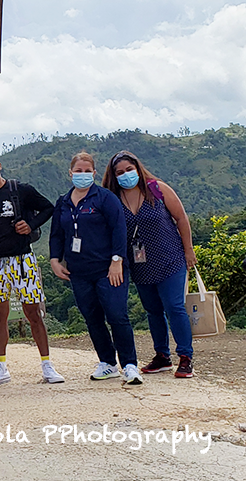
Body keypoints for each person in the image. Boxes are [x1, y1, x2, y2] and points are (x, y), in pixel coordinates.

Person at [0, 151, 64, 386]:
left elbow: (48, 208)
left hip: (23, 259)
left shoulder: (19, 189)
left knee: (33, 314)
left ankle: (47, 365)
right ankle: (0, 367)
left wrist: (30, 226)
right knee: (0, 315)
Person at [103, 150, 196, 378]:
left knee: (174, 307)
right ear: (113, 176)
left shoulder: (157, 189)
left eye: (129, 170)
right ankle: (162, 356)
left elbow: (181, 218)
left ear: (138, 168)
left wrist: (189, 250)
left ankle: (185, 357)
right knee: (153, 311)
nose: (126, 175)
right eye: (120, 172)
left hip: (170, 259)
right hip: (140, 265)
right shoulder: (113, 199)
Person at [50, 152, 141, 385]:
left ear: (94, 172)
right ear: (70, 173)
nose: (82, 175)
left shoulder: (105, 198)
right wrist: (54, 260)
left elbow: (118, 230)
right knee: (92, 317)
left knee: (116, 315)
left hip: (108, 269)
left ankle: (129, 365)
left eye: (86, 170)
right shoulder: (63, 202)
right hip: (79, 271)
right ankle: (108, 363)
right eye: (78, 171)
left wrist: (117, 261)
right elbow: (57, 234)